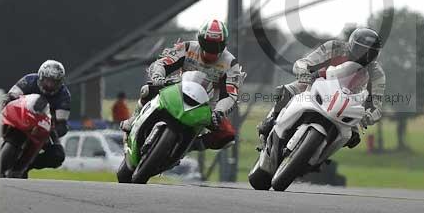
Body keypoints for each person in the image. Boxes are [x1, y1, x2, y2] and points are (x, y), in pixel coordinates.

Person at [121, 19, 245, 150]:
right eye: (206, 44)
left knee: (228, 137)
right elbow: (163, 62)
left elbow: (231, 94)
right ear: (200, 40)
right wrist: (158, 76)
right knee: (147, 90)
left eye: (216, 46)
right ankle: (134, 119)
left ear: (224, 45)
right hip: (179, 91)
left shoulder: (231, 63)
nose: (210, 50)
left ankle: (190, 146)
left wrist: (220, 110)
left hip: (208, 108)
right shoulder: (187, 47)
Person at [257, 27, 386, 149]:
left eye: (371, 53)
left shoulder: (377, 73)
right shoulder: (334, 47)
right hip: (318, 83)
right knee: (287, 91)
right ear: (351, 44)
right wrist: (303, 72)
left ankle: (321, 155)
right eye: (361, 50)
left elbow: (377, 106)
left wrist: (368, 116)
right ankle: (271, 120)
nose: (365, 56)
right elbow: (304, 62)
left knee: (354, 136)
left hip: (348, 103)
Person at [3, 60, 70, 173]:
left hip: (43, 126)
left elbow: (61, 124)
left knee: (58, 155)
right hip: (19, 117)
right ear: (41, 77)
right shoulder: (29, 80)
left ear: (60, 82)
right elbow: (10, 96)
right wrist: (6, 100)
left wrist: (51, 131)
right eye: (47, 80)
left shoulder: (64, 95)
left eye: (54, 82)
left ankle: (27, 165)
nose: (49, 85)